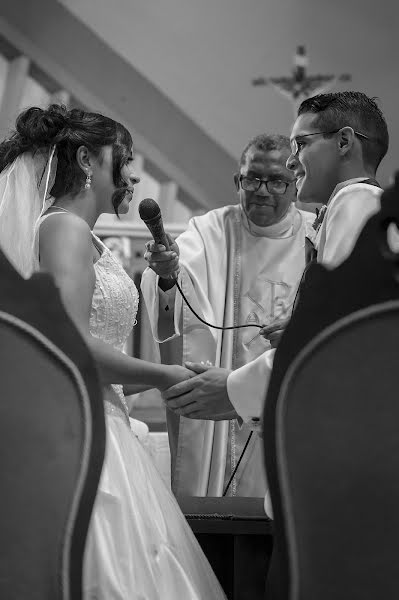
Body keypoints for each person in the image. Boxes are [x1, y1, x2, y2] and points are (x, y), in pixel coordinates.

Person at [0, 104, 226, 600]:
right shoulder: (64, 228)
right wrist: (164, 377)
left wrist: (169, 371)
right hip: (90, 434)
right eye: (121, 159)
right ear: (86, 159)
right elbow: (71, 344)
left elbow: (100, 356)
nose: (131, 175)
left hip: (105, 415)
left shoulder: (81, 235)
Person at [161, 91, 391, 472]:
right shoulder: (364, 204)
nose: (291, 160)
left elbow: (334, 344)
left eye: (301, 144)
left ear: (345, 142)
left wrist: (233, 389)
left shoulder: (355, 204)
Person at [141, 134, 314, 497]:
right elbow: (173, 286)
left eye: (277, 181)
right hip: (219, 422)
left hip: (291, 410)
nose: (262, 190)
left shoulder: (319, 237)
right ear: (238, 181)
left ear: (296, 185)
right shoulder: (209, 232)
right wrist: (167, 276)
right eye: (252, 179)